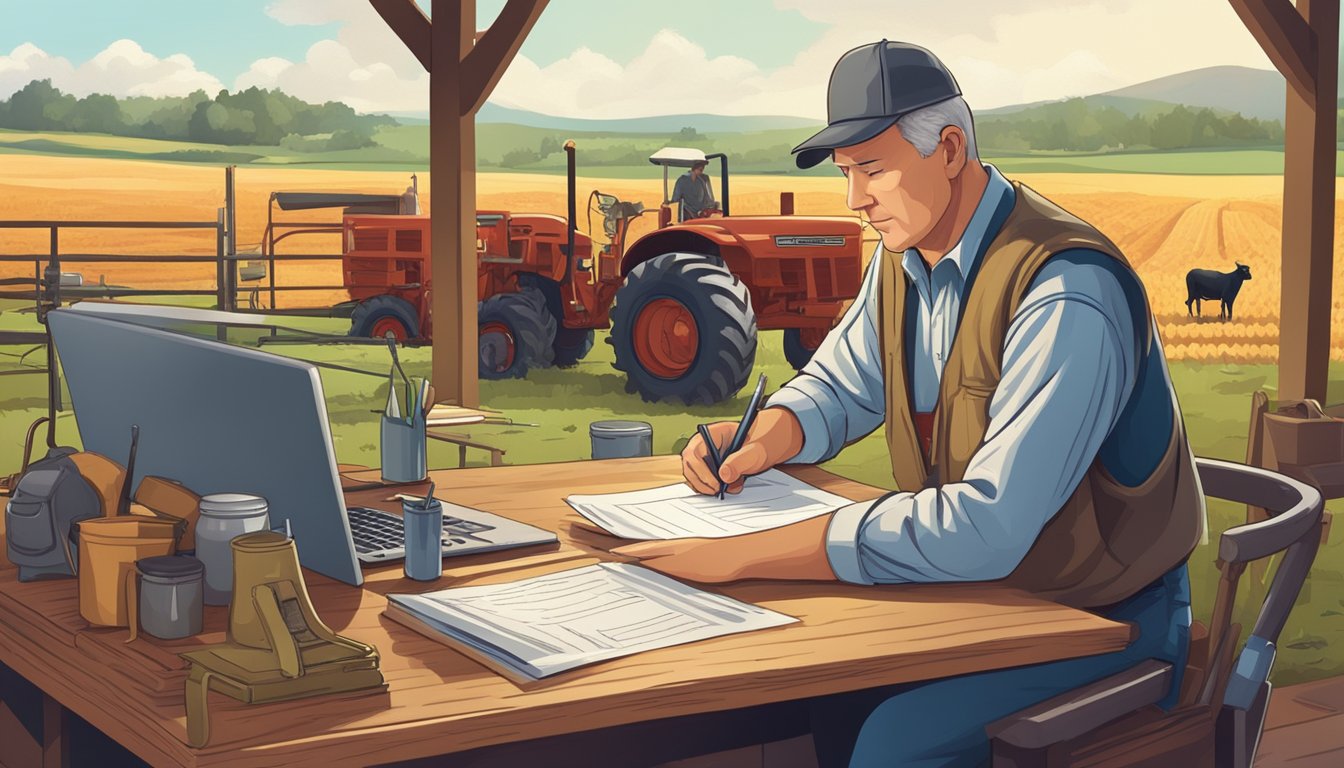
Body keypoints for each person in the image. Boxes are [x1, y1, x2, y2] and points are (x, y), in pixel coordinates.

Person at [613, 40, 1206, 767]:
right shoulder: (905, 260)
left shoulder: (1066, 291)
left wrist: (738, 559)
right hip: (979, 601)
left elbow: (988, 524)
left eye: (873, 168)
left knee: (890, 743)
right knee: (816, 698)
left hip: (1102, 622)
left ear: (950, 149)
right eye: (846, 173)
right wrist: (765, 437)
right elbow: (839, 385)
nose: (856, 199)